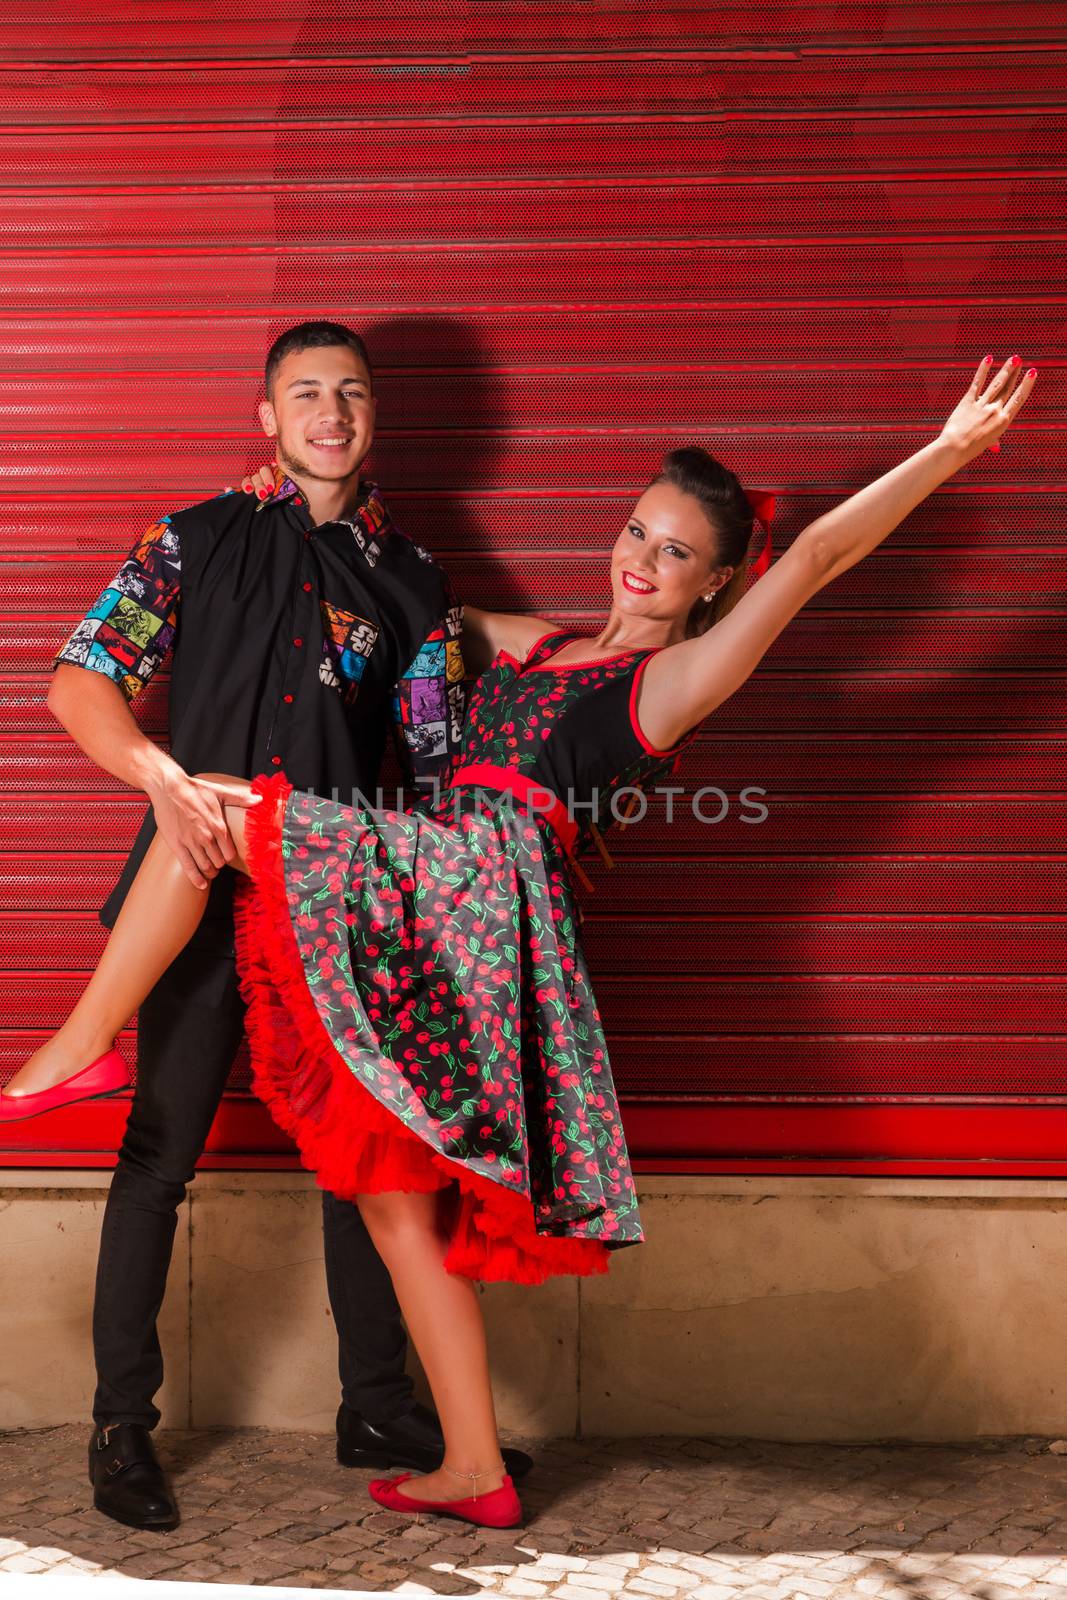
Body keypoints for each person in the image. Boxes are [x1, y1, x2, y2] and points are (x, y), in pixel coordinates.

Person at [4, 353, 1033, 1531]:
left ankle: (81, 1043)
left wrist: (946, 451)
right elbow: (392, 600)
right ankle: (471, 1467)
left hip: (469, 899)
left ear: (711, 588)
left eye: (676, 555)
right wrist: (277, 506)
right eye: (637, 532)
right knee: (390, 1192)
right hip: (406, 895)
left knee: (222, 800)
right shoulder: (527, 643)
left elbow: (811, 559)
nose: (642, 563)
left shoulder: (669, 682)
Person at [1, 318, 532, 1532]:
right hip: (186, 899)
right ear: (266, 415)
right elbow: (78, 677)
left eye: (349, 392)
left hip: (339, 913)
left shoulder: (413, 580)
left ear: (371, 415)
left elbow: (435, 769)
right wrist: (160, 777)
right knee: (156, 1160)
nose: (329, 411)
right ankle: (120, 1425)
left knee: (370, 1174)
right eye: (305, 392)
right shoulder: (189, 540)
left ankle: (379, 1406)